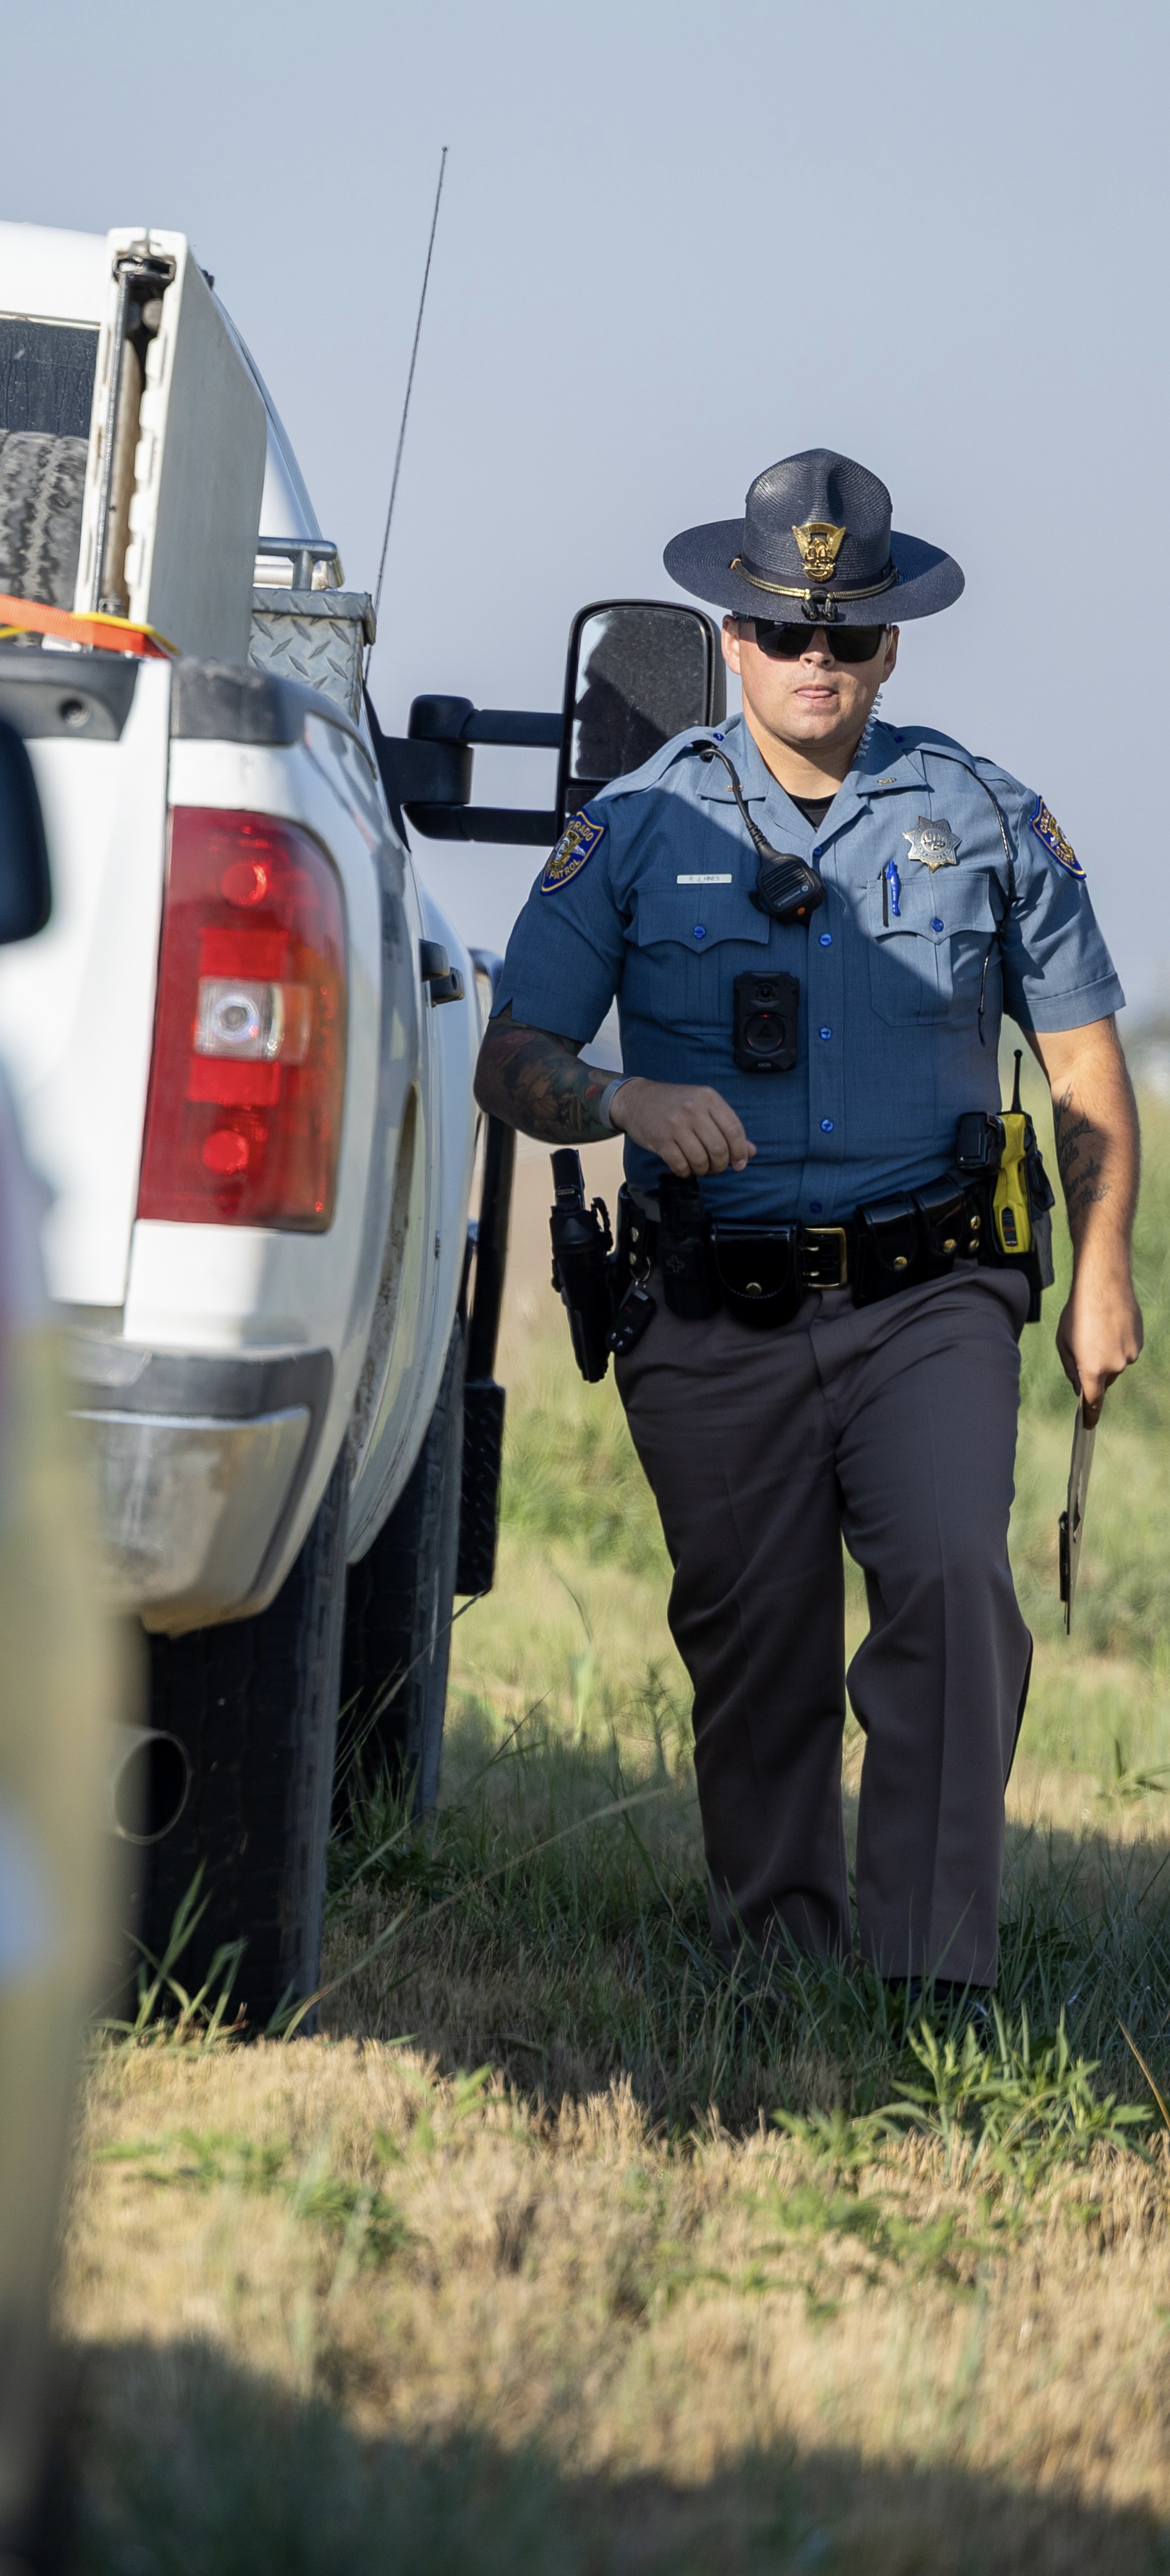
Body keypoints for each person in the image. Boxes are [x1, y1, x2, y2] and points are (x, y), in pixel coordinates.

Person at [476, 448, 1142, 1992]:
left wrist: (1099, 1268)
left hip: (931, 1297)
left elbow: (1084, 1061)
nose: (816, 663)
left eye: (848, 635)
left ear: (891, 641)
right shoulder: (634, 827)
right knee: (757, 1646)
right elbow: (512, 1056)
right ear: (730, 633)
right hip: (716, 1308)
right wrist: (620, 1103)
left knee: (951, 1593)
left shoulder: (981, 814)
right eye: (786, 631)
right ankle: (780, 1964)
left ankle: (928, 1974)